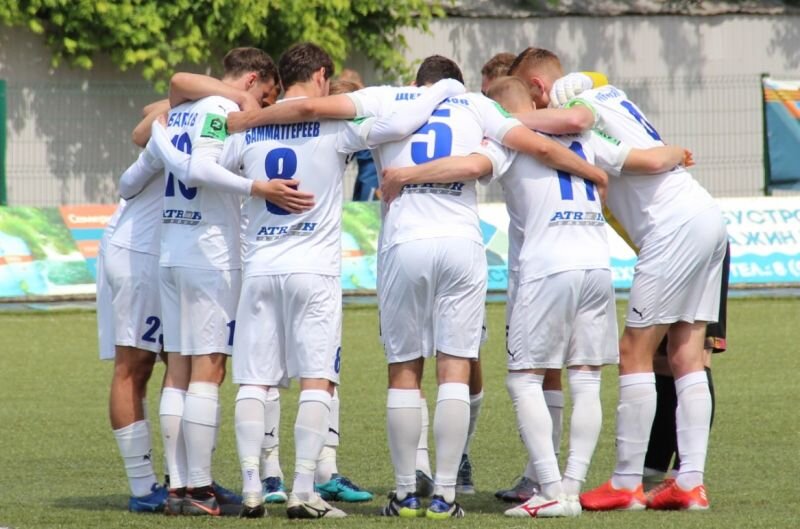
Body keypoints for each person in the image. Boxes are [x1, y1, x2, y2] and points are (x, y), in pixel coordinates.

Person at [165, 43, 463, 519]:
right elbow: (399, 124)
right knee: (316, 381)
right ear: (322, 76)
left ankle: (252, 488)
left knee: (254, 381)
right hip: (314, 269)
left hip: (260, 266)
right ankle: (304, 490)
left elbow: (199, 167)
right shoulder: (336, 124)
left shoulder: (248, 124)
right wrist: (441, 89)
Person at [381, 75, 692, 518]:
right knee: (586, 379)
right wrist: (677, 152)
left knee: (523, 379)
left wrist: (407, 175)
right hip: (596, 265)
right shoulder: (585, 138)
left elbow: (470, 167)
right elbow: (644, 158)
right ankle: (571, 487)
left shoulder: (505, 140)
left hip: (548, 266)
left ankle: (548, 487)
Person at [510, 47, 727, 512]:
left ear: (538, 89)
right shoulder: (609, 92)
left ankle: (627, 482)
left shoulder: (577, 103)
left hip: (670, 227)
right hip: (705, 215)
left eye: (530, 103)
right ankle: (689, 482)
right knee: (686, 353)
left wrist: (504, 121)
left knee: (634, 351)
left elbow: (578, 120)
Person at [144, 46, 282, 517]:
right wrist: (254, 187)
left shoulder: (185, 109)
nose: (263, 107)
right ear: (253, 80)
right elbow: (202, 169)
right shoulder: (223, 108)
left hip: (172, 251)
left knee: (178, 371)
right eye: (266, 96)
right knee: (209, 370)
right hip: (210, 255)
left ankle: (179, 486)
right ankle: (200, 488)